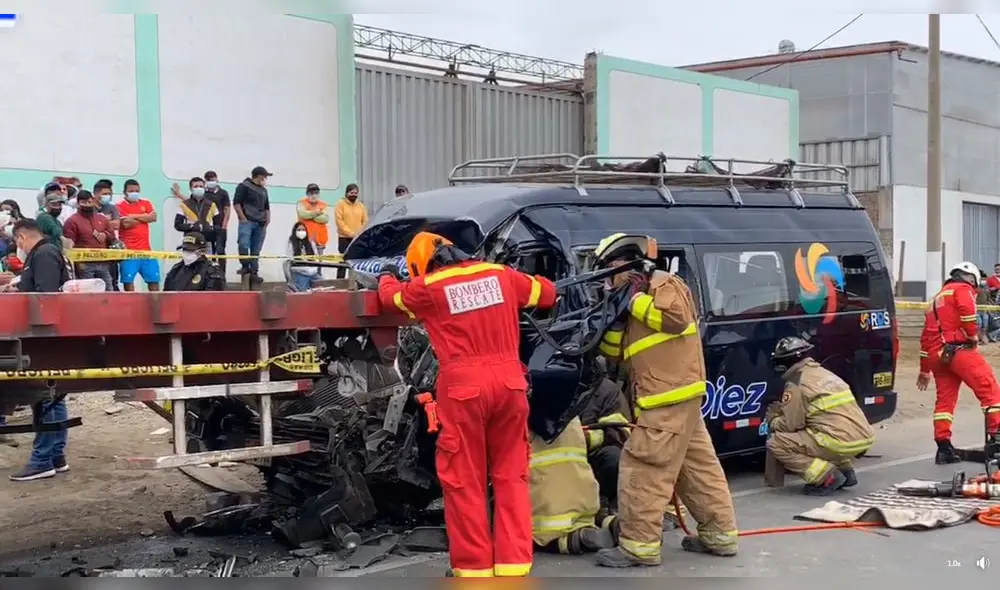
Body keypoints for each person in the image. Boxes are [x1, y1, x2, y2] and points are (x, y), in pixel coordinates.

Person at [377, 231, 557, 577]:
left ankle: (474, 569)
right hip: (509, 385)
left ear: (423, 266)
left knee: (465, 479)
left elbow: (391, 300)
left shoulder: (429, 287)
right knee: (511, 476)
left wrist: (387, 274)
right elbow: (546, 293)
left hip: (463, 390)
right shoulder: (501, 275)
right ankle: (513, 565)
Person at [591, 233, 737, 568]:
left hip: (666, 397)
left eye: (608, 273)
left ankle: (638, 546)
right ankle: (720, 535)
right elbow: (615, 354)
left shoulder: (662, 283)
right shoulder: (634, 298)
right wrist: (613, 315)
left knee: (643, 466)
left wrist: (630, 300)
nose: (607, 281)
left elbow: (675, 320)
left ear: (619, 264)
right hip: (673, 398)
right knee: (695, 467)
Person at [764, 336, 875, 495]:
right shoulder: (825, 373)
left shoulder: (796, 382)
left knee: (777, 443)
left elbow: (790, 424)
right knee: (822, 428)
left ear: (785, 362)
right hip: (863, 437)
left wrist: (773, 420)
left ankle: (826, 477)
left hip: (838, 441)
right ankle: (846, 472)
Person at [8, 219, 71, 481]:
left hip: (45, 335)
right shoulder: (45, 252)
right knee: (53, 394)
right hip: (47, 335)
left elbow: (44, 297)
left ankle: (42, 459)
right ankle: (55, 455)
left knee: (45, 394)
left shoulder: (43, 254)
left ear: (21, 237)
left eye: (16, 242)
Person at [918, 261, 1000, 464]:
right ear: (970, 278)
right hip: (959, 350)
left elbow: (925, 337)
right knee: (990, 392)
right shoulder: (962, 289)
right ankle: (996, 439)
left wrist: (924, 369)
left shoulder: (936, 299)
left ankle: (944, 448)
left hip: (938, 356)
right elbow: (967, 313)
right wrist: (973, 336)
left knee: (944, 402)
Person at [529, 417, 613, 556]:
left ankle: (571, 541)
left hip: (547, 517)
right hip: (584, 502)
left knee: (540, 535)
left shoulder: (523, 413)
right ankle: (604, 525)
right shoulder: (570, 413)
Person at [62, 190, 115, 291]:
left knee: (108, 289)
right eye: (83, 202)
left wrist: (105, 235)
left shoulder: (101, 218)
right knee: (88, 291)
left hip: (103, 261)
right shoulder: (72, 221)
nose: (87, 205)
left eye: (89, 202)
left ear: (93, 201)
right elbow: (68, 244)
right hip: (84, 264)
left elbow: (112, 236)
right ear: (78, 204)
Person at [117, 179, 160, 292]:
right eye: (131, 191)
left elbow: (153, 217)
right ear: (124, 192)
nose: (134, 193)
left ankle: (155, 308)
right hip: (129, 252)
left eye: (137, 190)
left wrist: (132, 216)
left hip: (147, 251)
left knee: (154, 281)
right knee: (128, 282)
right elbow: (125, 224)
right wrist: (144, 217)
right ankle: (132, 307)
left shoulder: (146, 203)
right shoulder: (119, 206)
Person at [233, 166, 271, 285]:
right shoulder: (244, 186)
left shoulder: (264, 190)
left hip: (260, 223)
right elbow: (236, 203)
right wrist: (243, 218)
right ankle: (245, 266)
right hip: (247, 221)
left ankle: (254, 271)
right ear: (259, 176)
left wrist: (267, 220)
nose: (265, 179)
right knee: (243, 243)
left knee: (256, 250)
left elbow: (267, 207)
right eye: (264, 177)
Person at [93, 180, 122, 291]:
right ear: (95, 194)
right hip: (94, 251)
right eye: (104, 194)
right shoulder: (89, 208)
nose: (108, 196)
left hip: (110, 249)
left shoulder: (112, 207)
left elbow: (116, 225)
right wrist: (107, 220)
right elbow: (90, 227)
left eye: (109, 194)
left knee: (112, 280)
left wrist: (101, 222)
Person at [174, 177, 219, 247]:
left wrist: (210, 228)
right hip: (190, 241)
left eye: (201, 186)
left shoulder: (212, 205)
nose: (199, 188)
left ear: (204, 188)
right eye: (196, 186)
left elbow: (218, 226)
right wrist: (191, 226)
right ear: (191, 189)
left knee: (207, 257)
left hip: (207, 241)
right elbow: (177, 225)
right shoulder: (184, 205)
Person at [204, 170, 231, 276]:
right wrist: (179, 195)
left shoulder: (223, 193)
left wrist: (224, 225)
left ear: (217, 179)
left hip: (220, 226)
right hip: (207, 227)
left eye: (213, 179)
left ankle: (222, 274)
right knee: (209, 251)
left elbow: (227, 209)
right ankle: (210, 274)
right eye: (209, 180)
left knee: (220, 251)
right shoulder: (204, 194)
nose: (211, 181)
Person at [285, 222, 321, 292]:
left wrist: (313, 269)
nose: (301, 232)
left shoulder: (310, 242)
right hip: (299, 272)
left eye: (303, 230)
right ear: (295, 231)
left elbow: (316, 258)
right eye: (299, 230)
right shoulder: (291, 243)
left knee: (322, 286)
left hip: (313, 272)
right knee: (303, 293)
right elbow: (290, 259)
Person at [334, 183, 368, 256]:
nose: (354, 195)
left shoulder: (361, 206)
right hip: (344, 238)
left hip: (357, 238)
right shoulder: (340, 204)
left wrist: (358, 233)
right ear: (346, 193)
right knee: (343, 260)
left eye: (356, 193)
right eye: (351, 193)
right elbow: (339, 221)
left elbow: (365, 221)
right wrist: (350, 233)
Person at [296, 183, 330, 254]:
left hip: (320, 239)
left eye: (316, 193)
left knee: (320, 262)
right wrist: (316, 213)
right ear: (307, 194)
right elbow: (303, 214)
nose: (314, 195)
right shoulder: (301, 203)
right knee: (306, 260)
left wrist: (310, 215)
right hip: (305, 238)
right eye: (311, 193)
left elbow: (325, 219)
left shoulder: (323, 205)